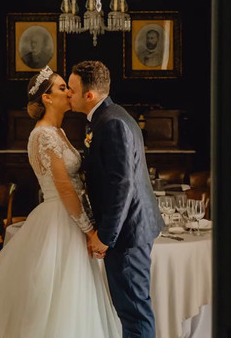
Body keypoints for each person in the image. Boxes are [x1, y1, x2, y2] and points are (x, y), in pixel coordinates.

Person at [0, 65, 122, 338]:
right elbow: (64, 188)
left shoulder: (57, 131)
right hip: (60, 217)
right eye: (62, 88)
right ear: (47, 98)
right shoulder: (43, 135)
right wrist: (89, 229)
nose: (69, 92)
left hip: (69, 216)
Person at [67, 60, 164, 338]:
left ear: (89, 95)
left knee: (134, 311)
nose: (69, 96)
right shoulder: (108, 116)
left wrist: (105, 236)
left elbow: (122, 185)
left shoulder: (111, 123)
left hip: (127, 234)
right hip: (126, 231)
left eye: (72, 90)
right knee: (130, 309)